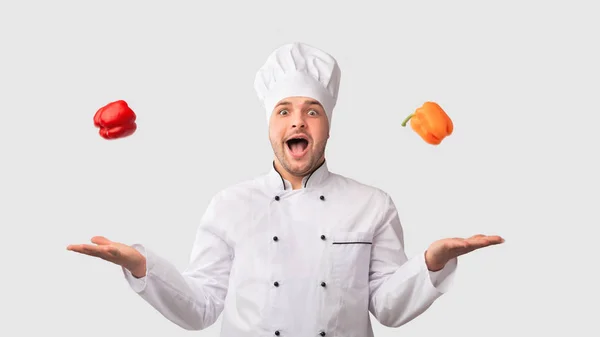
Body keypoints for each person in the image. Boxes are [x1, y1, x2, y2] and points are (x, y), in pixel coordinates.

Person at [67, 42, 504, 337]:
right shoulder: (230, 205)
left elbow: (386, 308)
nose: (298, 121)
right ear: (270, 127)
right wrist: (143, 266)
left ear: (328, 127)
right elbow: (200, 308)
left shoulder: (373, 205)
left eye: (312, 111)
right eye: (284, 111)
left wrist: (432, 263)